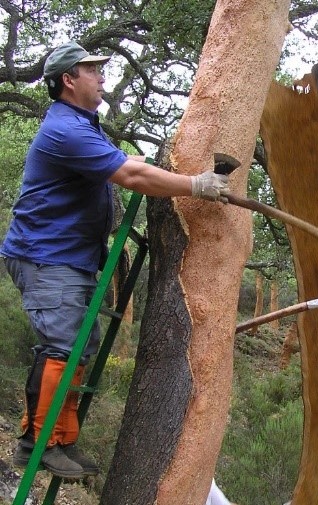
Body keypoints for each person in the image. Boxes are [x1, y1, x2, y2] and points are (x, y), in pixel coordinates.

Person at [1, 41, 230, 479]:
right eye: (92, 70)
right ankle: (37, 443)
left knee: (79, 347)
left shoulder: (83, 126)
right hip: (45, 257)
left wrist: (135, 164)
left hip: (70, 258)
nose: (102, 75)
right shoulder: (64, 130)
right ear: (69, 80)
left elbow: (123, 165)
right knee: (62, 347)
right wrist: (196, 184)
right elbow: (130, 175)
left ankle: (61, 437)